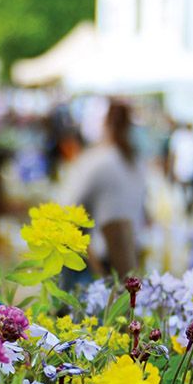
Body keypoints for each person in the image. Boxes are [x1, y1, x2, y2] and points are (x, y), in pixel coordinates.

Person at [58, 100, 146, 278]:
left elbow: (63, 211)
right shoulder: (135, 162)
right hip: (130, 256)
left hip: (102, 262)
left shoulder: (98, 161)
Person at [168, 121, 193, 217]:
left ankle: (188, 209)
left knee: (188, 192)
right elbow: (173, 155)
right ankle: (186, 209)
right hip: (182, 169)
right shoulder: (179, 136)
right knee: (183, 193)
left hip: (189, 170)